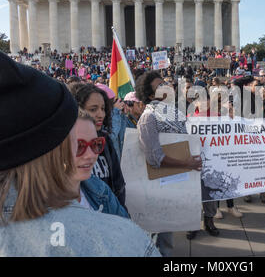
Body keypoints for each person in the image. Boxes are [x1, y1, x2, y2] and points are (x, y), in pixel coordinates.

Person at [0, 51, 160, 257]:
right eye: (77, 143)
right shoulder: (118, 240)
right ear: (57, 144)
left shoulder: (98, 190)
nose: (89, 153)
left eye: (96, 144)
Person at [135, 71, 203, 256]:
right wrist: (186, 163)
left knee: (168, 236)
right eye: (159, 86)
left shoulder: (173, 112)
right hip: (159, 187)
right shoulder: (148, 118)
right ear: (150, 96)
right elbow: (154, 158)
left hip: (176, 181)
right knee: (160, 240)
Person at [69, 83, 127, 208]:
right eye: (93, 109)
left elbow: (118, 184)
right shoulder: (64, 142)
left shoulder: (105, 140)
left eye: (103, 108)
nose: (101, 114)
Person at [75, 110, 129, 218]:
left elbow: (127, 227)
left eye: (96, 144)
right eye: (79, 146)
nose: (91, 154)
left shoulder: (100, 189)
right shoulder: (39, 205)